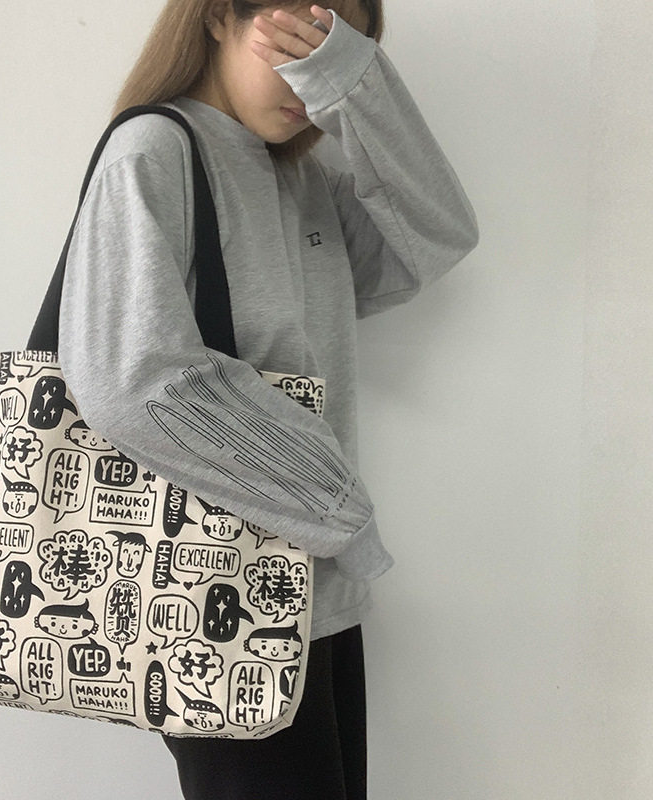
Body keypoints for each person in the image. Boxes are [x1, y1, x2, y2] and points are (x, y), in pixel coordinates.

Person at [58, 0, 479, 797]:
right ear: (220, 16)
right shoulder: (154, 149)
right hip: (211, 600)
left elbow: (437, 233)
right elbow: (130, 376)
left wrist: (355, 83)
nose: (307, 75)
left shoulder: (301, 178)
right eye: (297, 38)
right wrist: (336, 507)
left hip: (315, 593)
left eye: (333, 49)